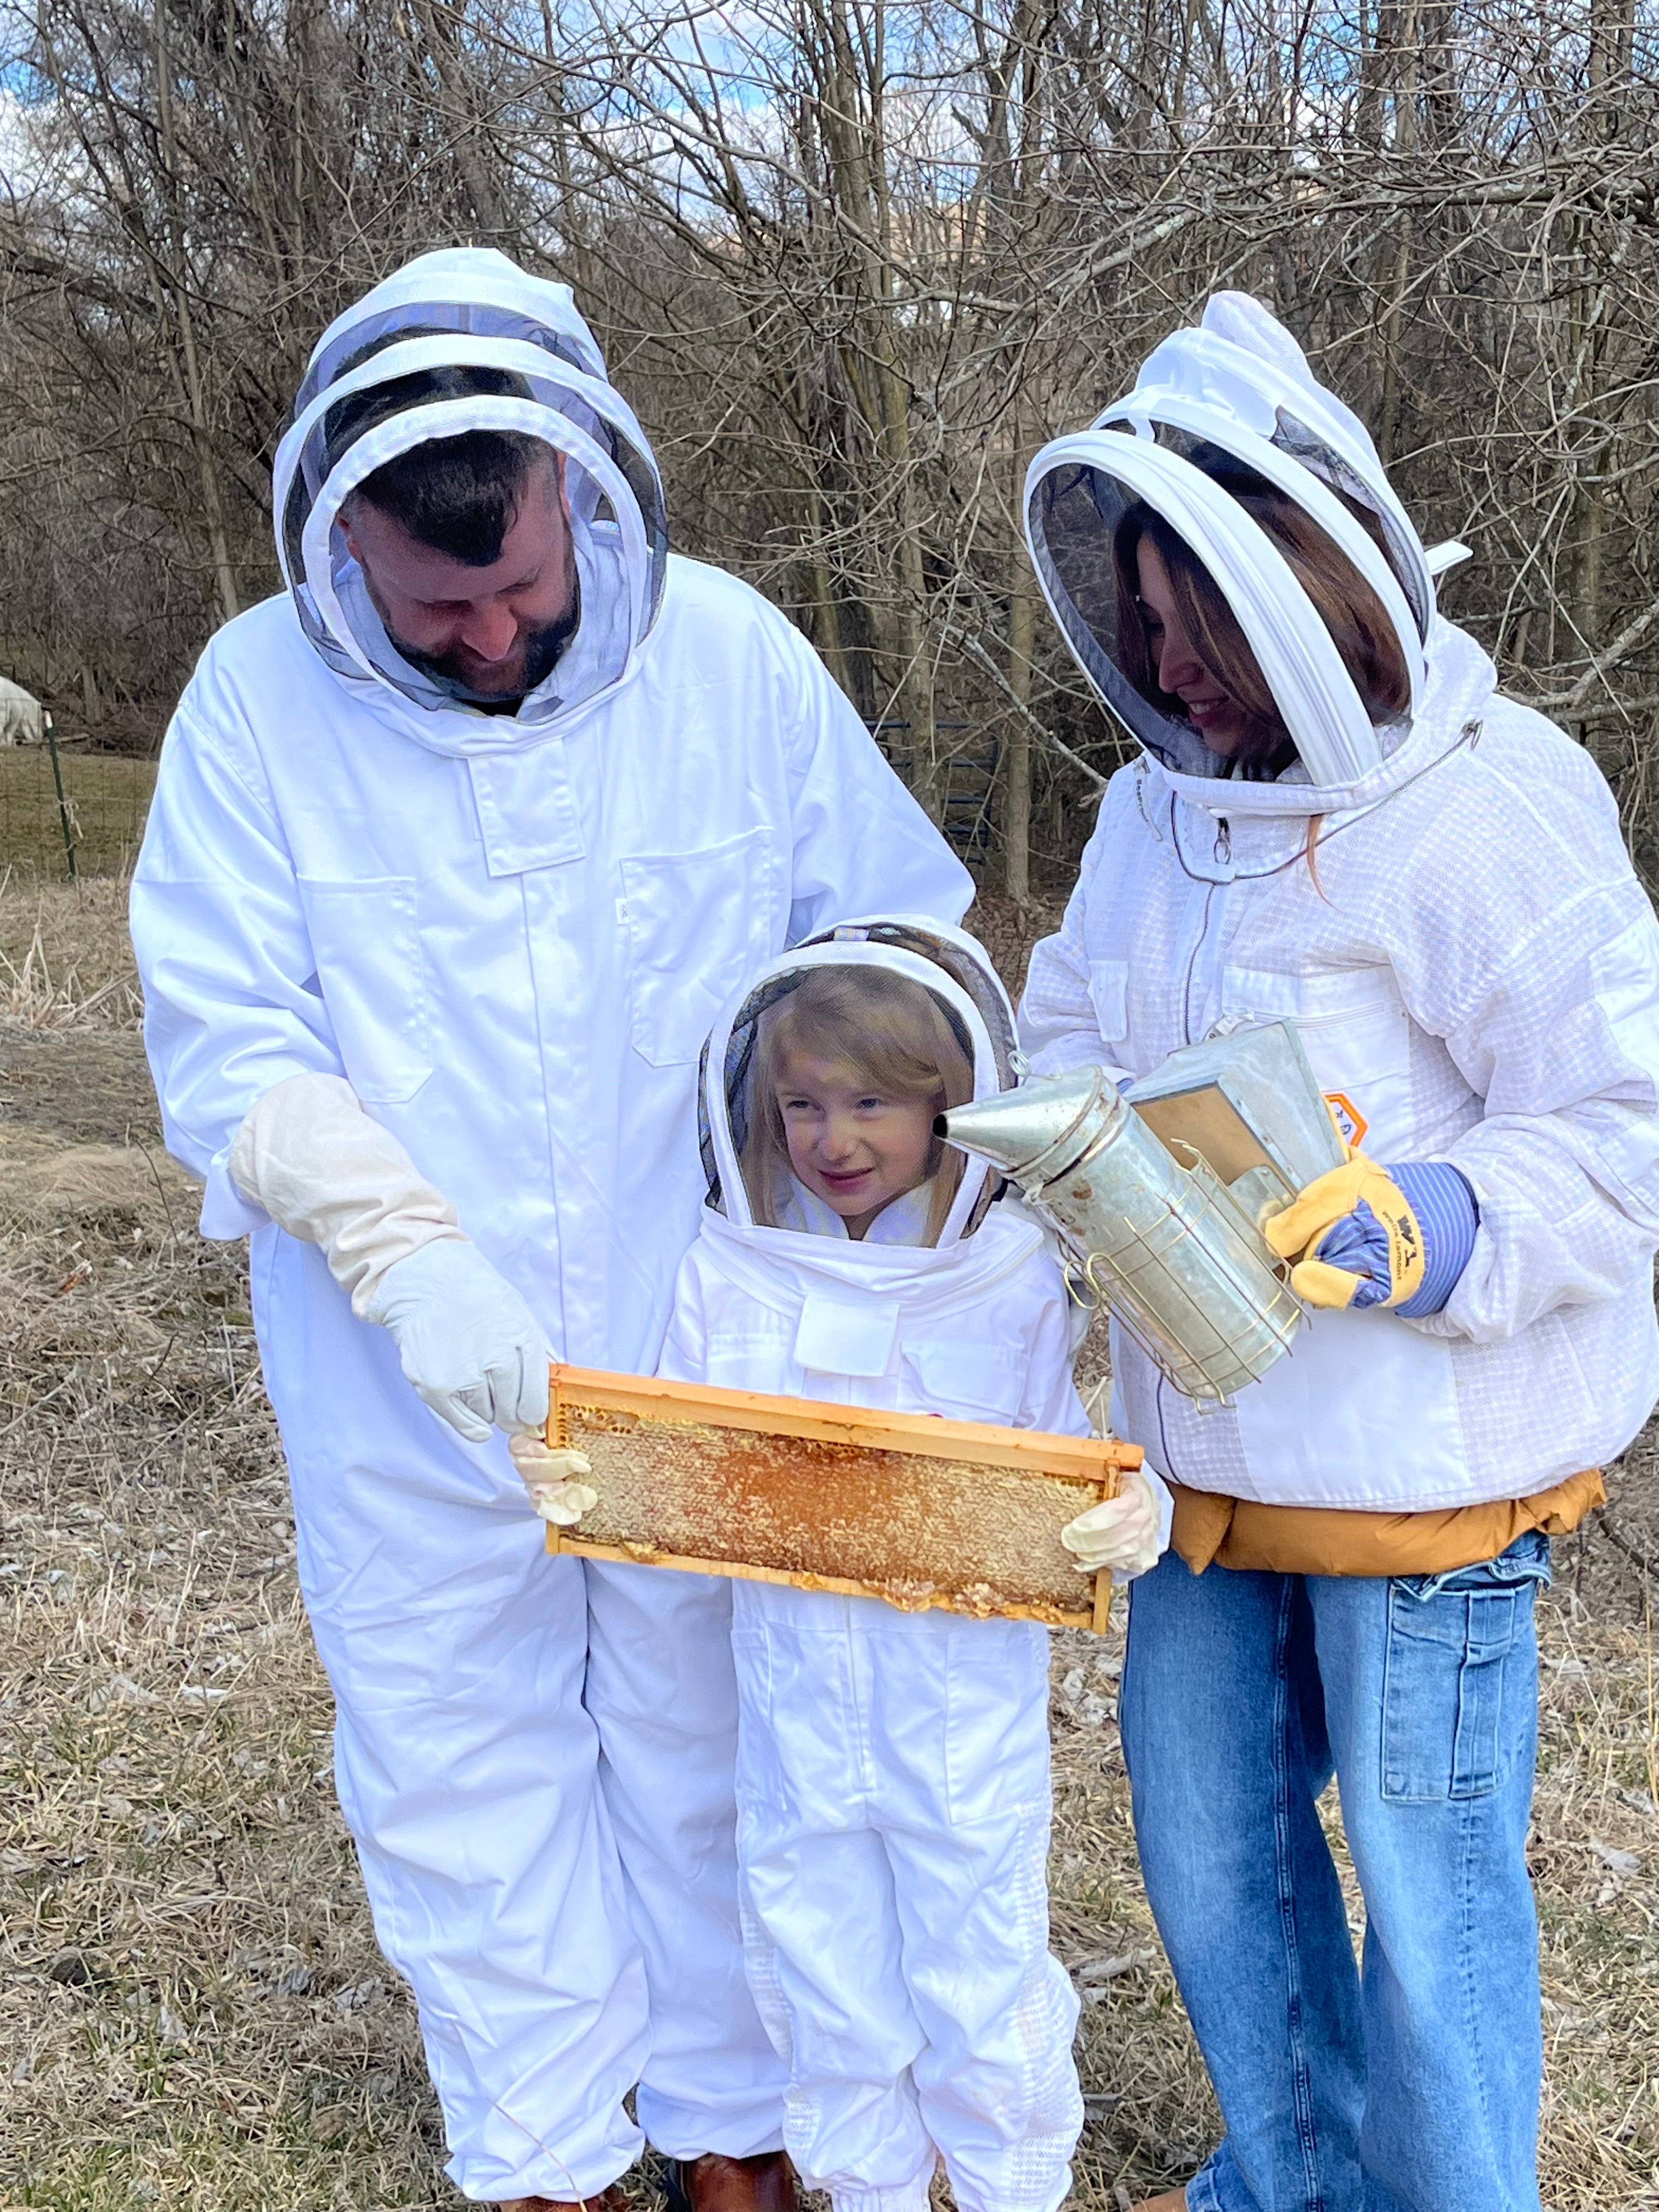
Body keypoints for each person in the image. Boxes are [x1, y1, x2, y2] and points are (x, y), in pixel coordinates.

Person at [129, 248, 973, 2212]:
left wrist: (888, 1192)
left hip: (702, 1318)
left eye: (520, 584)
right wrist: (400, 1247)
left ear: (584, 494)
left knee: (709, 1725)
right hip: (397, 1363)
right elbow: (228, 1033)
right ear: (342, 533)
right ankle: (544, 2154)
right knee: (457, 1739)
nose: (495, 633)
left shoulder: (739, 662)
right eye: (442, 606)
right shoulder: (254, 704)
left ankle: (729, 2124)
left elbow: (890, 943)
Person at [1015, 294, 1659, 2212]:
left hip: (1425, 1488)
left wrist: (1434, 1219)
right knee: (1212, 1853)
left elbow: (1626, 1124)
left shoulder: (1486, 804)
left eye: (1207, 634)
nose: (1177, 674)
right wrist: (1050, 1132)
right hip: (1200, 1466)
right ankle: (1288, 2180)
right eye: (1149, 633)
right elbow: (1071, 1005)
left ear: (1319, 598)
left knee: (1428, 1869)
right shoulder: (1150, 808)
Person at [619, 918, 1170, 2212]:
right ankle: (862, 2187)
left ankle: (1006, 2187)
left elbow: (1070, 1453)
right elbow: (682, 1450)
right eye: (802, 1104)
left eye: (872, 1101)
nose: (834, 1138)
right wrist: (604, 1469)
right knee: (820, 1957)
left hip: (957, 1707)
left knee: (975, 1959)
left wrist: (1119, 1516)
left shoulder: (1009, 1275)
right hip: (792, 1699)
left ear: (952, 1106)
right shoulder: (730, 1267)